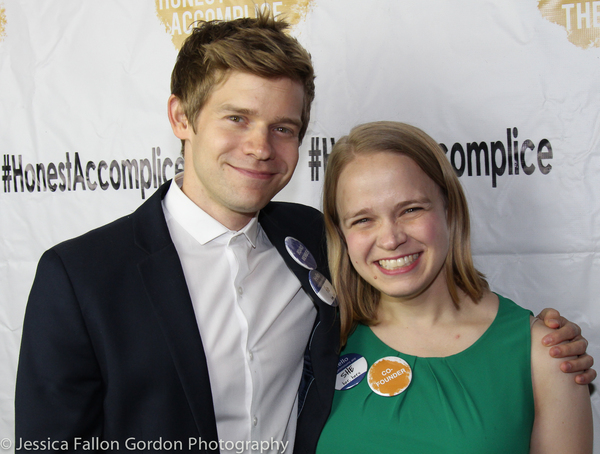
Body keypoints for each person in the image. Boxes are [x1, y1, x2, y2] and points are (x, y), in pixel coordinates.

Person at [14, 13, 593, 454]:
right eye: (236, 118)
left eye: (283, 127)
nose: (260, 147)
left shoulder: (318, 242)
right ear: (180, 118)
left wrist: (545, 344)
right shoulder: (80, 276)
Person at [316, 121, 593, 453]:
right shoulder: (320, 341)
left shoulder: (546, 353)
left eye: (411, 209)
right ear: (341, 234)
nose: (391, 239)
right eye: (363, 220)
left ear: (450, 210)